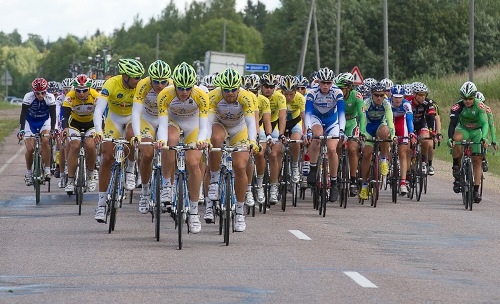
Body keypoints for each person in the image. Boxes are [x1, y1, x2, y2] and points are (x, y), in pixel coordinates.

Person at [155, 62, 209, 233]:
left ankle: (194, 212)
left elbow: (205, 124)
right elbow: (162, 125)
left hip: (193, 126)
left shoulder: (201, 95)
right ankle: (166, 185)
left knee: (193, 163)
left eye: (188, 87)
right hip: (173, 123)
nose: (184, 91)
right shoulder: (165, 94)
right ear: (175, 85)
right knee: (169, 140)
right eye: (180, 87)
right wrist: (161, 141)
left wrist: (201, 140)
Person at [205, 68, 259, 232]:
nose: (230, 93)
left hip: (239, 129)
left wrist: (252, 141)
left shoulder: (246, 97)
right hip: (219, 125)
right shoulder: (213, 96)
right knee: (214, 140)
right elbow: (207, 122)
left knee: (240, 166)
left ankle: (240, 211)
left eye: (233, 89)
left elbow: (251, 123)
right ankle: (213, 183)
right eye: (226, 90)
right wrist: (205, 140)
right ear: (221, 88)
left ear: (238, 87)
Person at [93, 58, 144, 223]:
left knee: (131, 134)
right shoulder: (111, 84)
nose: (138, 81)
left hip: (131, 118)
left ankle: (130, 168)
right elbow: (99, 109)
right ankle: (101, 205)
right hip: (113, 119)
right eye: (135, 77)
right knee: (107, 157)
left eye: (139, 77)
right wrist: (98, 131)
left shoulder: (140, 86)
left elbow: (139, 112)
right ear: (125, 76)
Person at [130, 60, 172, 214]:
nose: (160, 85)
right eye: (156, 81)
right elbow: (135, 112)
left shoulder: (173, 86)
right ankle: (145, 192)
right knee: (147, 154)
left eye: (163, 82)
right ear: (150, 79)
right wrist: (137, 135)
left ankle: (168, 187)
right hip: (147, 119)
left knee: (170, 149)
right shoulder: (143, 85)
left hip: (166, 119)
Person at [304, 67, 345, 202]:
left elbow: (341, 114)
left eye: (328, 83)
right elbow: (308, 114)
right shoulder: (312, 92)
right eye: (323, 83)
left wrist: (342, 131)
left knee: (332, 149)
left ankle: (333, 183)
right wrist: (309, 130)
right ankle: (313, 169)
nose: (326, 86)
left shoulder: (337, 92)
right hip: (316, 118)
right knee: (317, 137)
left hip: (332, 121)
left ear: (332, 83)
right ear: (318, 82)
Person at [448, 81, 489, 203]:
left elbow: (485, 123)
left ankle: (476, 190)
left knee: (477, 161)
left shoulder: (480, 106)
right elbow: (452, 124)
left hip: (477, 131)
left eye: (470, 98)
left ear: (474, 97)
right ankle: (456, 164)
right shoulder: (457, 107)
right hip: (464, 129)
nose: (467, 101)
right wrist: (451, 138)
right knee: (457, 140)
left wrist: (484, 138)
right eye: (465, 99)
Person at [61, 74, 100, 194]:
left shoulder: (95, 96)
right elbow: (65, 115)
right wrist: (65, 128)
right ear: (74, 89)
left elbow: (101, 114)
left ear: (89, 89)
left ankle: (90, 174)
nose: (81, 93)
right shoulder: (70, 96)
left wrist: (100, 130)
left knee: (90, 145)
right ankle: (71, 181)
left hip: (91, 123)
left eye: (84, 90)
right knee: (74, 145)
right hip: (75, 124)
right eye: (78, 90)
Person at [358, 82, 396, 200]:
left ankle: (383, 159)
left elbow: (390, 120)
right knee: (366, 155)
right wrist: (362, 133)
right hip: (368, 128)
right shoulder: (366, 103)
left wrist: (393, 135)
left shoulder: (386, 103)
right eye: (376, 95)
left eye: (381, 95)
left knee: (385, 132)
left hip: (380, 126)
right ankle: (364, 185)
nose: (379, 97)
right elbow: (362, 119)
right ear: (371, 95)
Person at [17, 78, 57, 185]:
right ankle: (29, 173)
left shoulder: (50, 97)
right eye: (37, 93)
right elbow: (23, 114)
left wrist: (53, 129)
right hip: (30, 122)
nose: (40, 95)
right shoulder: (28, 97)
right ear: (33, 91)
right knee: (30, 149)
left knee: (45, 141)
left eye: (43, 92)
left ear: (46, 91)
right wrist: (21, 129)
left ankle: (47, 169)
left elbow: (53, 115)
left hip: (44, 121)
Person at [335, 72, 366, 196]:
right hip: (338, 122)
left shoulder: (357, 96)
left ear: (348, 87)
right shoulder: (334, 96)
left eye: (341, 88)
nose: (338, 90)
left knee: (353, 149)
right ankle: (335, 175)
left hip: (352, 122)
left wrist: (362, 132)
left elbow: (362, 115)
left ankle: (353, 180)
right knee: (335, 147)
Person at [244, 74, 272, 206]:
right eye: (250, 91)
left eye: (255, 92)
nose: (253, 95)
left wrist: (268, 135)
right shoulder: (242, 98)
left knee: (259, 153)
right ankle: (246, 188)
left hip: (256, 127)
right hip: (238, 129)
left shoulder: (262, 101)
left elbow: (264, 121)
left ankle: (259, 185)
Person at [259, 73, 287, 204]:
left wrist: (281, 134)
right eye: (266, 86)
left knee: (274, 155)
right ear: (261, 86)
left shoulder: (280, 97)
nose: (269, 89)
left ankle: (274, 187)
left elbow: (282, 117)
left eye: (271, 86)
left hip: (274, 125)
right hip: (259, 125)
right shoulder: (256, 97)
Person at [390, 84, 415, 196]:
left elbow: (409, 120)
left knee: (403, 153)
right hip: (389, 124)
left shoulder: (406, 104)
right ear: (391, 96)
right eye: (395, 97)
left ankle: (403, 183)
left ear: (403, 97)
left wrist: (411, 133)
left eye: (400, 97)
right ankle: (387, 162)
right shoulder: (387, 103)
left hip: (401, 125)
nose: (398, 99)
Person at [280, 75, 306, 183]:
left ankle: (295, 166)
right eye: (286, 94)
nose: (288, 97)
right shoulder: (278, 96)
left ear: (295, 91)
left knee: (295, 141)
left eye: (291, 94)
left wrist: (305, 133)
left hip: (295, 122)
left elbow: (304, 118)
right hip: (281, 122)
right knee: (278, 146)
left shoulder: (300, 98)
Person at [411, 82, 436, 175]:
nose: (423, 97)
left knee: (426, 139)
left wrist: (432, 132)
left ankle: (423, 161)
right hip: (409, 124)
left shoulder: (428, 102)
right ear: (414, 94)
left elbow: (432, 117)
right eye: (420, 95)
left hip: (421, 124)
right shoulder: (408, 101)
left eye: (424, 95)